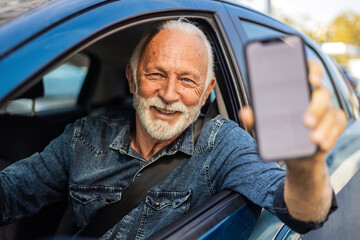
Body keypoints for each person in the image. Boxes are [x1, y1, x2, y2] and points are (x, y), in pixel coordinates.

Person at [0, 19, 346, 239]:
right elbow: (13, 191)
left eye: (187, 80)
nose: (168, 94)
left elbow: (305, 214)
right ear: (133, 79)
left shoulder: (223, 145)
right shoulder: (84, 137)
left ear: (207, 92)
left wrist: (305, 166)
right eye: (156, 74)